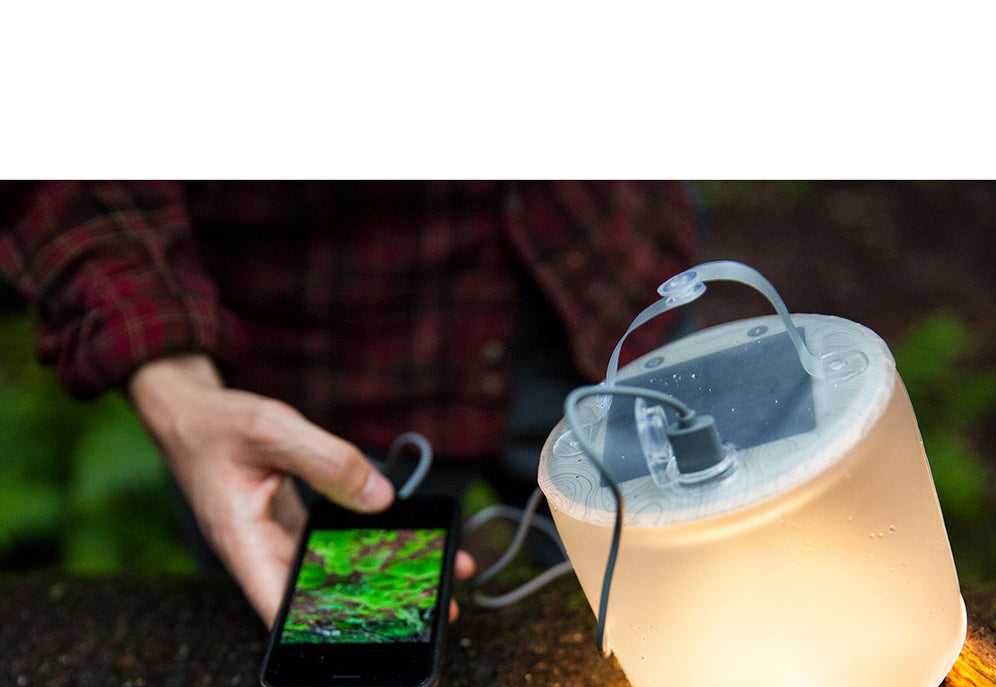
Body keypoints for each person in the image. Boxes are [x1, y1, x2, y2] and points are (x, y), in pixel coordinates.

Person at [0, 181, 699, 626]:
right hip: (302, 376)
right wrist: (180, 399)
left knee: (667, 602)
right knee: (336, 625)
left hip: (597, 274)